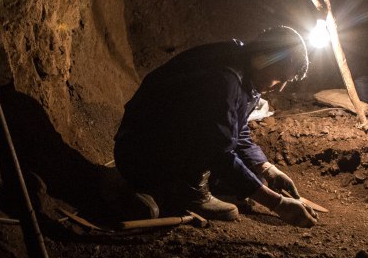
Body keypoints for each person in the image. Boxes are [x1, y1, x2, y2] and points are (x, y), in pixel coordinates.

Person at [114, 26, 321, 227]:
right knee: (238, 180)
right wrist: (278, 204)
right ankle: (177, 189)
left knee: (253, 177)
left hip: (156, 143)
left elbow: (234, 129)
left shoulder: (245, 66)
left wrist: (267, 169)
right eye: (280, 78)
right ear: (267, 58)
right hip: (141, 152)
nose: (280, 87)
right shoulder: (225, 79)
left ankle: (174, 185)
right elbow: (219, 151)